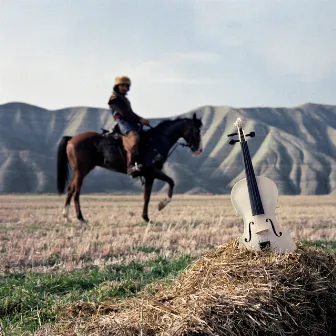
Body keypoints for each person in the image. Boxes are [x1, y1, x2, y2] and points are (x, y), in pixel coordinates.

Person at [107, 76, 150, 176]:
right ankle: (130, 166)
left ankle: (140, 162)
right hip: (122, 122)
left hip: (130, 121)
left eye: (126, 86)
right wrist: (140, 119)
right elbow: (124, 113)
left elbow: (130, 113)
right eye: (122, 85)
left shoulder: (124, 99)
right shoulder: (114, 98)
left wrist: (141, 119)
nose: (125, 88)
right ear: (117, 86)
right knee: (134, 137)